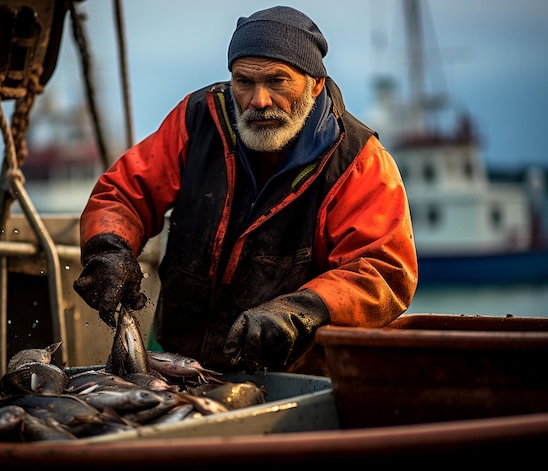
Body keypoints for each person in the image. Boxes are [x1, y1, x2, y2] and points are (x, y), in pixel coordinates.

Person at [73, 6, 418, 376]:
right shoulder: (198, 117)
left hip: (291, 374)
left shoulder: (358, 161)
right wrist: (109, 248)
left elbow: (382, 271)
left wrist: (300, 310)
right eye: (244, 82)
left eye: (277, 81)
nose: (258, 100)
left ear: (315, 83)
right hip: (172, 358)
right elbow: (124, 193)